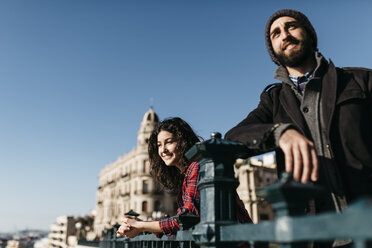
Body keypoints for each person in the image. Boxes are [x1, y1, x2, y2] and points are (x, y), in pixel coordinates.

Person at [225, 9, 372, 214]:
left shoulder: (361, 80)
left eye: (291, 26)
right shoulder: (272, 100)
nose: (285, 35)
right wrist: (278, 133)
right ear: (273, 51)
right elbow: (233, 136)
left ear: (310, 34)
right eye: (276, 33)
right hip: (313, 234)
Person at [116, 117, 251, 238]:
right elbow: (183, 222)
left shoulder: (196, 167)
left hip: (235, 240)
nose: (163, 150)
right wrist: (140, 225)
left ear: (183, 142)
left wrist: (142, 226)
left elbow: (185, 219)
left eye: (168, 142)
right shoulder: (185, 175)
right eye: (159, 145)